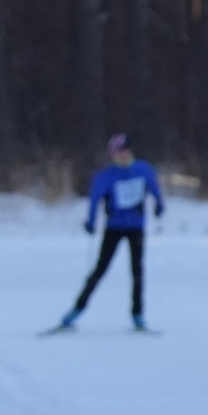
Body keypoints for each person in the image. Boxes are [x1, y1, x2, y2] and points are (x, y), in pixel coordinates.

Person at [59, 135, 165, 330]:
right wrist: (91, 222)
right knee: (100, 269)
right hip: (114, 228)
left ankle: (137, 314)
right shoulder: (106, 176)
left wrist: (159, 205)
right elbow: (94, 200)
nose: (123, 156)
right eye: (118, 153)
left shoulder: (143, 169)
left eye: (125, 151)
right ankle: (77, 309)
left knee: (137, 271)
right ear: (113, 155)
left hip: (136, 228)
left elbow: (155, 189)